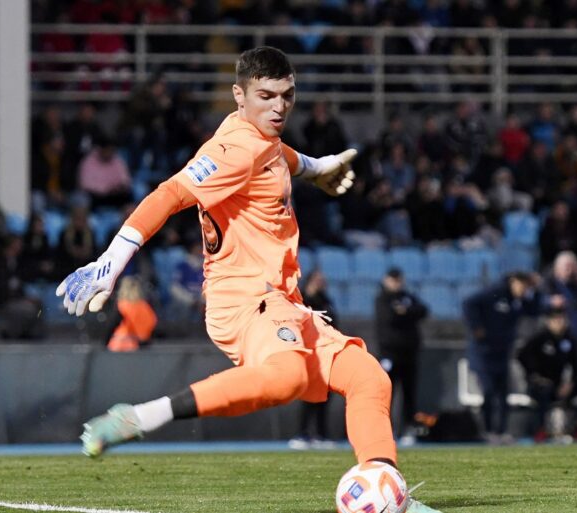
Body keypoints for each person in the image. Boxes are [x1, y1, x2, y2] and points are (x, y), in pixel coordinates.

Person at [57, 47, 440, 513]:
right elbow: (170, 192)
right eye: (266, 96)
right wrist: (111, 261)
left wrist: (317, 169)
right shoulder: (234, 148)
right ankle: (139, 417)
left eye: (287, 95)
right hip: (243, 298)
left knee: (369, 378)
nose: (279, 107)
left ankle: (384, 487)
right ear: (239, 95)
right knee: (288, 377)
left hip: (281, 299)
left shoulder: (262, 139)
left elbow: (281, 157)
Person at [462, 272, 541, 442]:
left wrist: (536, 290)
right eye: (522, 285)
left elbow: (535, 310)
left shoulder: (518, 301)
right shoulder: (494, 293)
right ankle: (488, 430)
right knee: (489, 391)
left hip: (502, 353)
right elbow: (469, 303)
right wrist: (476, 327)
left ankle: (501, 431)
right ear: (513, 281)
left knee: (503, 393)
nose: (523, 289)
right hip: (484, 353)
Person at [517, 307, 577, 443]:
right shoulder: (539, 339)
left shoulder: (570, 340)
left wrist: (571, 383)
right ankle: (541, 429)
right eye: (555, 320)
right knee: (543, 391)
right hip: (540, 384)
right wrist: (535, 375)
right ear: (548, 322)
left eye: (561, 319)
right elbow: (522, 356)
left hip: (560, 384)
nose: (559, 323)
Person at [374, 268, 429, 444]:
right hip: (390, 353)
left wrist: (405, 312)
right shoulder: (382, 299)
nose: (397, 283)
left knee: (409, 394)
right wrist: (406, 314)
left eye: (399, 279)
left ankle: (408, 429)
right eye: (393, 279)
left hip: (409, 353)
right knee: (387, 393)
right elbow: (389, 318)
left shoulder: (407, 297)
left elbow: (423, 310)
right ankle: (384, 430)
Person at [290, 269, 340, 449]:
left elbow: (333, 323)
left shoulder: (326, 300)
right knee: (308, 396)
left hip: (325, 351)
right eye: (318, 279)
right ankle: (302, 433)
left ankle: (321, 434)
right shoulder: (303, 300)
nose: (321, 282)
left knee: (324, 395)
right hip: (310, 351)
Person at [107, 277, 157, 352]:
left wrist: (105, 341)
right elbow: (152, 322)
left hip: (120, 343)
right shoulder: (144, 306)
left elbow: (112, 324)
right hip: (139, 344)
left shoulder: (120, 305)